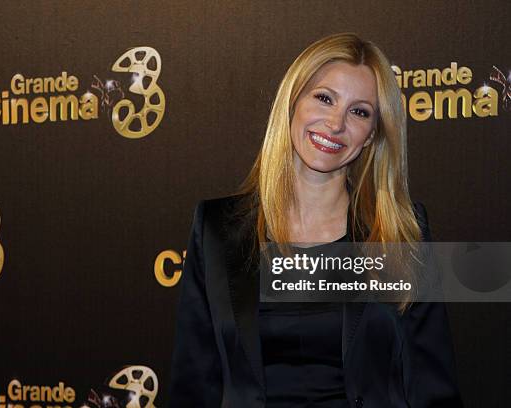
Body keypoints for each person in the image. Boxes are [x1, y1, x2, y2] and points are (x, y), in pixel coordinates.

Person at [168, 33, 463, 407]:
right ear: (293, 103)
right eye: (324, 98)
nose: (335, 124)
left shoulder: (400, 232)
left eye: (359, 112)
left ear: (372, 134)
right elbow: (193, 385)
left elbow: (433, 388)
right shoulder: (218, 228)